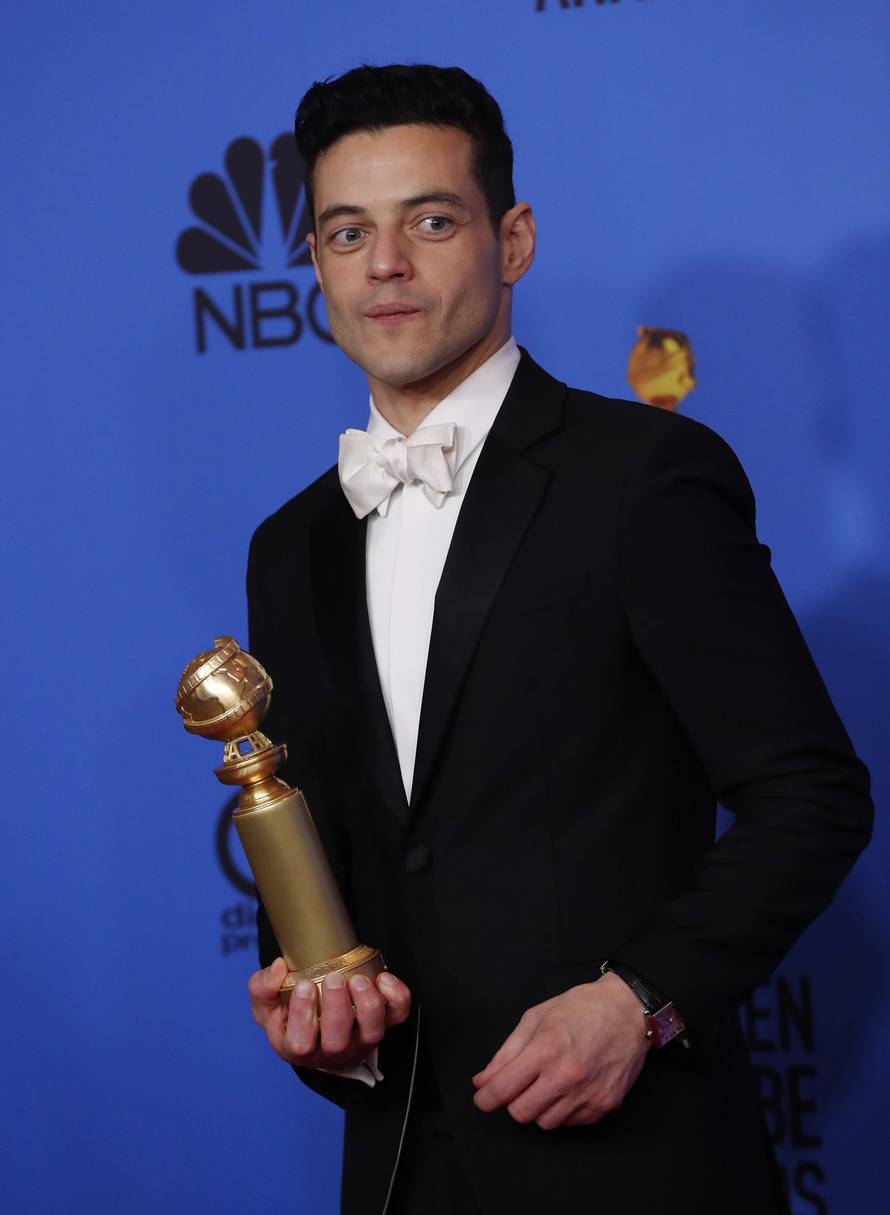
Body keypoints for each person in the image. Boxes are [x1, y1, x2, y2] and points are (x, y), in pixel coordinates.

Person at [244, 64, 872, 1215]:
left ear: (512, 238)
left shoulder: (639, 479)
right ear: (319, 266)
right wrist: (321, 1007)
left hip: (633, 1166)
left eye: (428, 222)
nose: (384, 264)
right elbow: (345, 866)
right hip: (399, 1168)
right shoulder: (288, 547)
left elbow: (810, 795)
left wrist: (641, 999)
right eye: (346, 233)